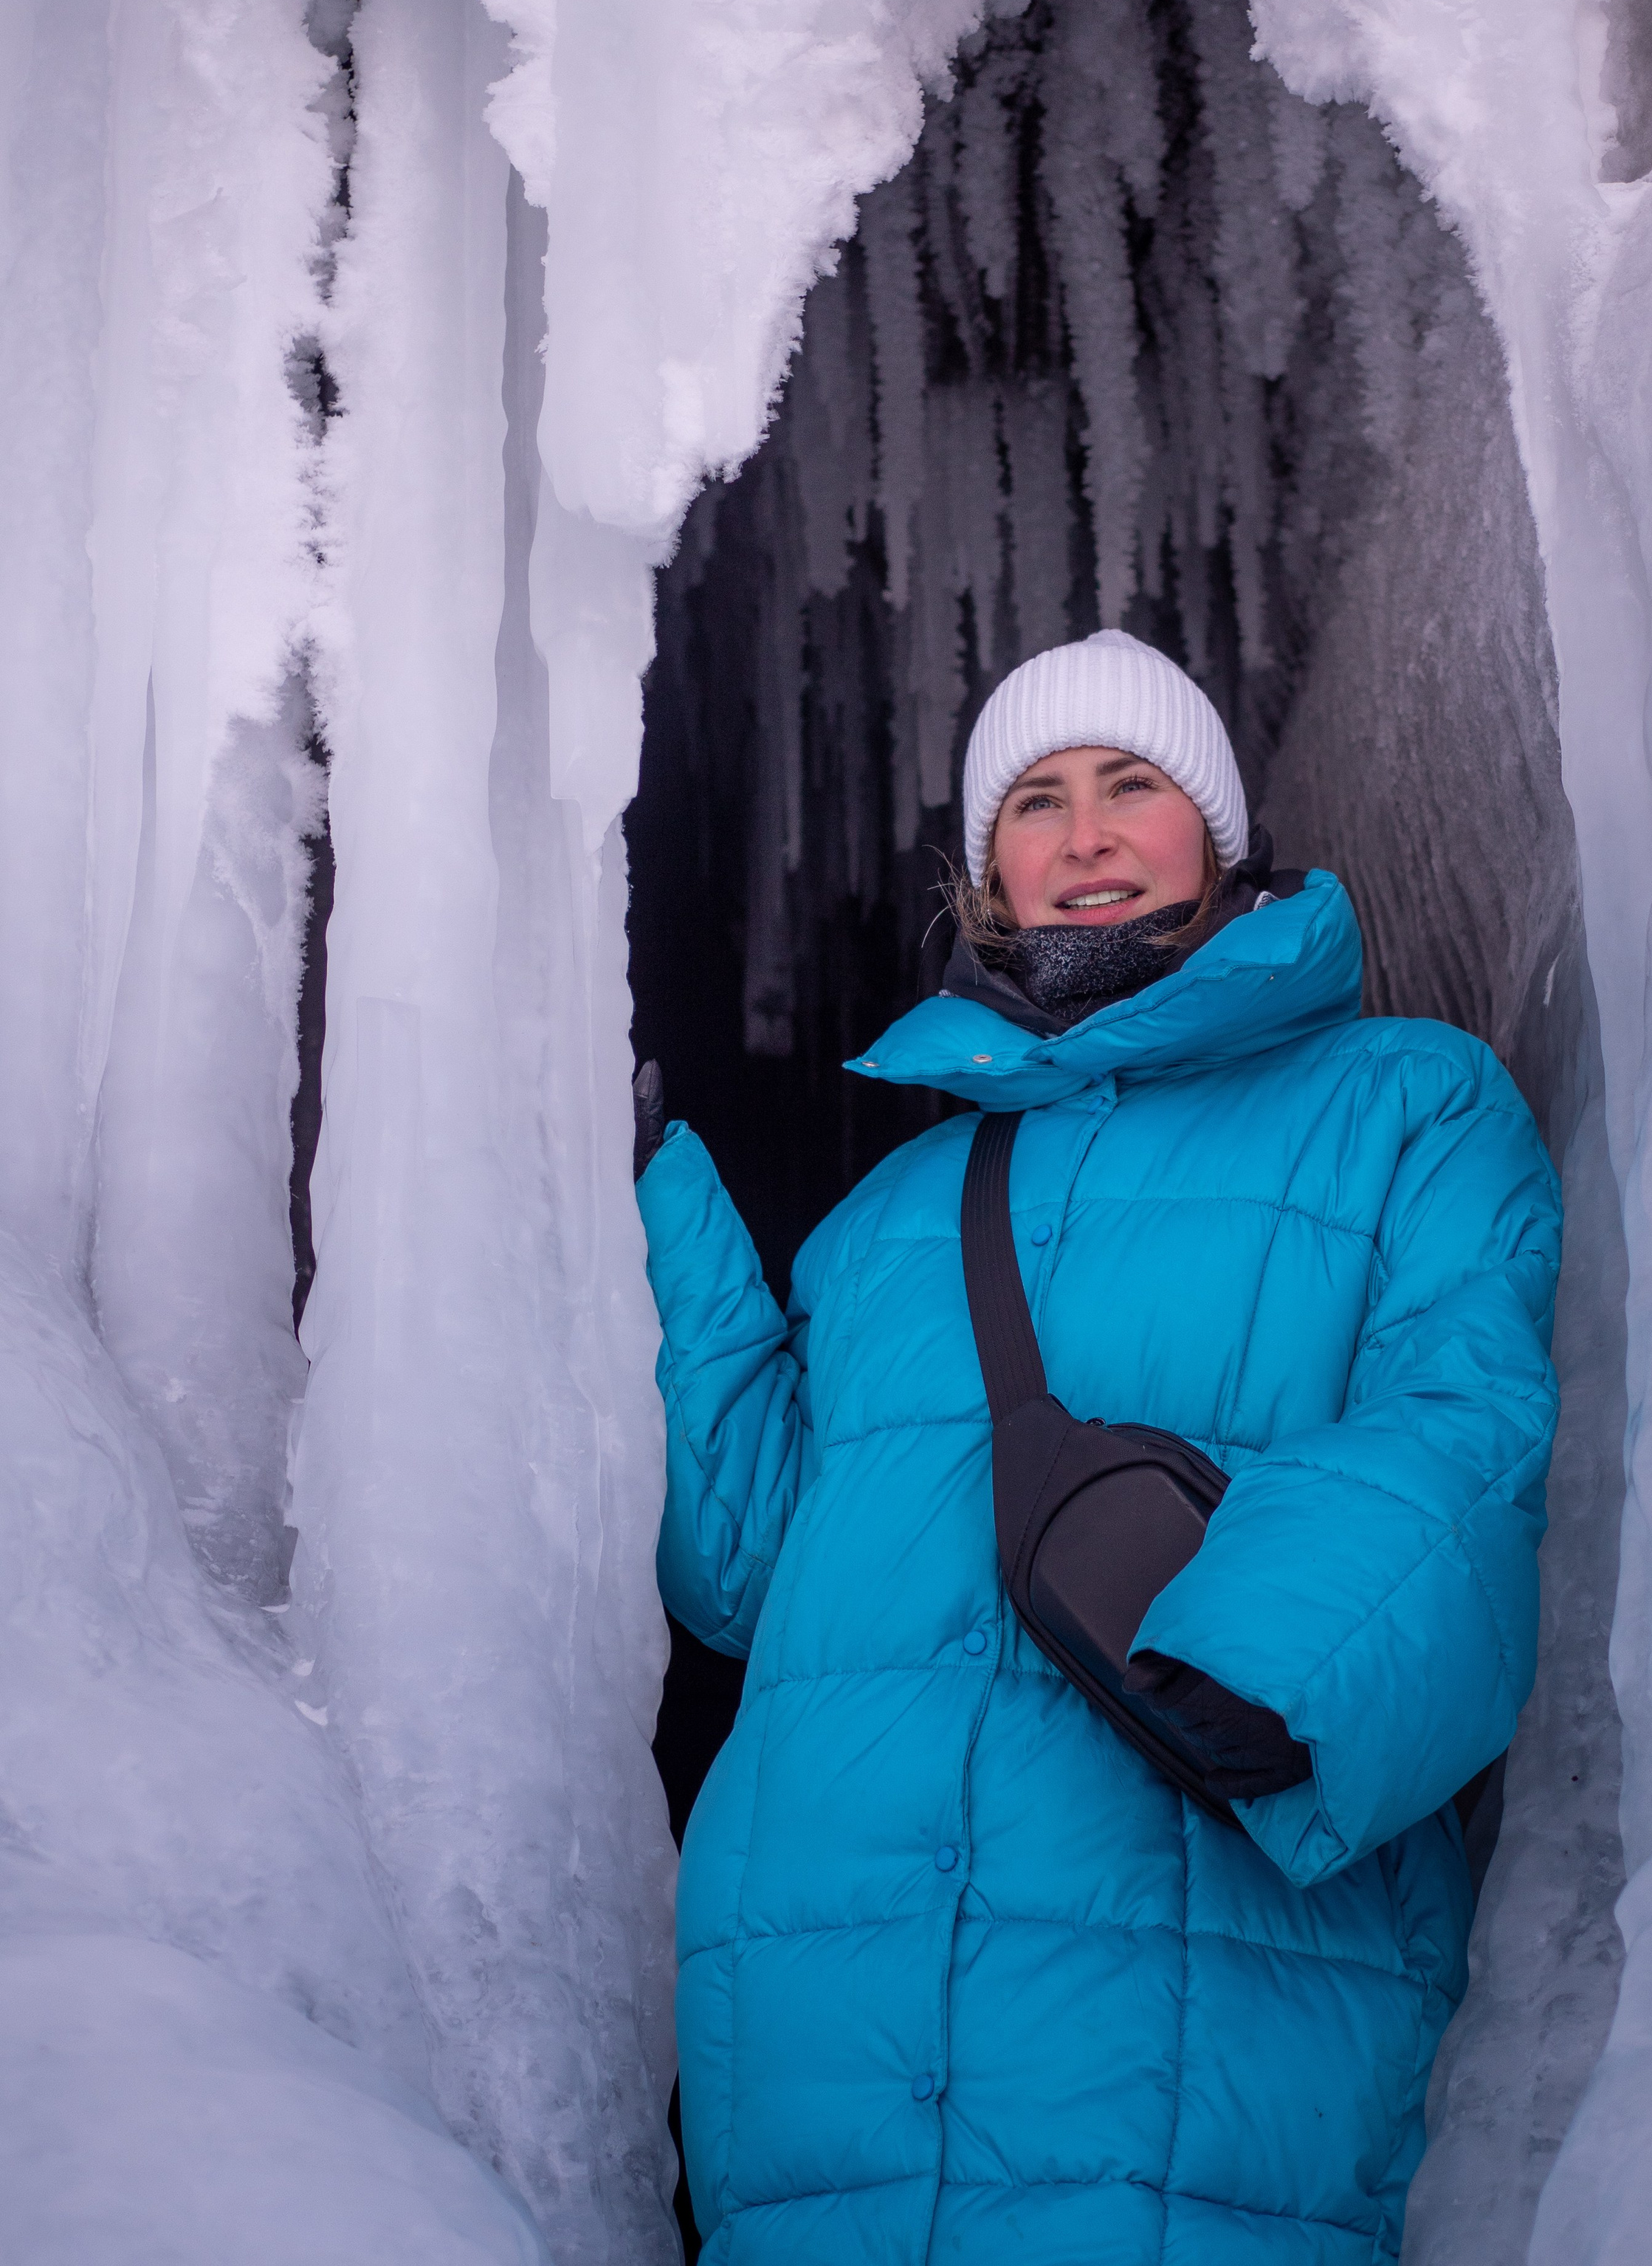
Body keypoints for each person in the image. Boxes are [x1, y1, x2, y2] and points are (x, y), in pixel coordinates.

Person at [633, 627, 1561, 2265]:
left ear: (1213, 828)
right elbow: (747, 1577)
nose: (1083, 838)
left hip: (1184, 1933)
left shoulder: (1404, 1103)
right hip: (819, 1981)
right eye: (1035, 802)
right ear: (984, 867)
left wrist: (1254, 1666)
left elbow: (1464, 1427)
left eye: (1131, 786)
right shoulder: (888, 1215)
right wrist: (662, 1224)